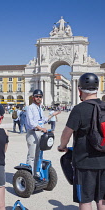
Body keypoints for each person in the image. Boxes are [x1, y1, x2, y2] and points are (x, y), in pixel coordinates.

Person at [58, 73, 105, 210]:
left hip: (84, 162)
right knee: (102, 199)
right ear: (97, 88)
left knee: (85, 200)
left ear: (79, 90)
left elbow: (67, 132)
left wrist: (63, 146)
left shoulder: (79, 109)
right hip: (104, 161)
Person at [26, 89, 60, 175]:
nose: (38, 98)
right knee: (32, 155)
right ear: (33, 97)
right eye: (37, 96)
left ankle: (36, 172)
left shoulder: (40, 108)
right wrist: (41, 128)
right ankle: (30, 174)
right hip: (32, 133)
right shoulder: (30, 108)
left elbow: (43, 120)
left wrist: (52, 115)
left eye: (40, 97)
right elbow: (31, 122)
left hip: (40, 133)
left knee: (39, 154)